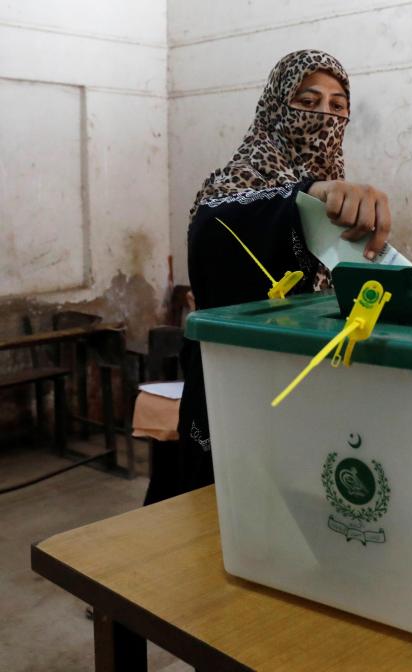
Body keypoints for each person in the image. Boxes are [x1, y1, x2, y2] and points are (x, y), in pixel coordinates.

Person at [144, 49, 392, 504]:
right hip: (239, 403)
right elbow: (212, 232)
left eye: (338, 107)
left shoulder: (344, 206)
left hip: (315, 397)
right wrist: (303, 198)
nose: (325, 117)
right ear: (276, 108)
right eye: (308, 101)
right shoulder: (234, 183)